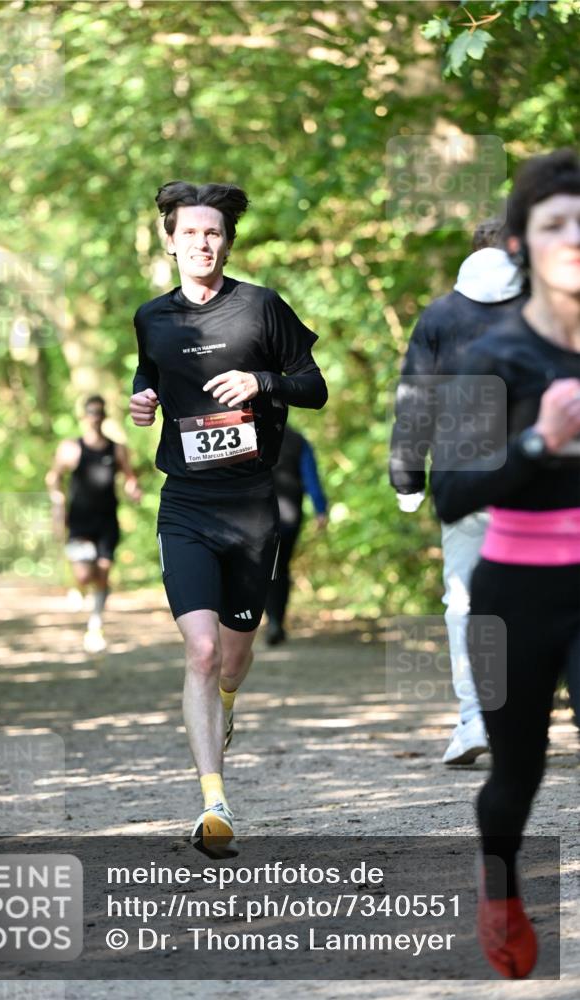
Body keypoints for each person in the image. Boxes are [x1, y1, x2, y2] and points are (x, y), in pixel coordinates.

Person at [129, 181, 327, 856]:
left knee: (235, 659)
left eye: (212, 233)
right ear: (169, 239)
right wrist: (143, 400)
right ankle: (213, 800)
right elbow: (146, 372)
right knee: (202, 651)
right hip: (185, 503)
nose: (201, 244)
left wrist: (261, 382)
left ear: (226, 241)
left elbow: (314, 386)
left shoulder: (262, 309)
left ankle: (228, 707)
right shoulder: (152, 317)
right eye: (188, 233)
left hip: (251, 508)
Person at [431, 149, 580, 978]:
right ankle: (499, 884)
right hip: (512, 592)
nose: (575, 238)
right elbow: (451, 491)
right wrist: (537, 440)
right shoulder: (482, 356)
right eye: (555, 223)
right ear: (520, 244)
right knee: (515, 773)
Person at [389, 219, 526, 764]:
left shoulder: (440, 315)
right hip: (539, 475)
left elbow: (415, 398)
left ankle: (475, 720)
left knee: (464, 601)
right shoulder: (550, 306)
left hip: (462, 474)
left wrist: (406, 474)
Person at [47, 395, 142, 653]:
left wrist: (134, 489)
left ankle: (95, 625)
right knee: (84, 574)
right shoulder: (71, 448)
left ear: (105, 415)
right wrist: (58, 502)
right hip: (79, 520)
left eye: (100, 412)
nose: (95, 417)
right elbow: (54, 477)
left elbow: (130, 476)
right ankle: (77, 586)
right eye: (91, 412)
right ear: (84, 416)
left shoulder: (116, 448)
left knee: (103, 571)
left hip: (107, 520)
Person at [264, 423, 328, 645]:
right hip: (289, 515)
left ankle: (267, 619)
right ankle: (275, 622)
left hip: (256, 512)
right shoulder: (298, 439)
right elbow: (311, 477)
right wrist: (320, 509)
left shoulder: (247, 430)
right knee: (280, 568)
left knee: (261, 567)